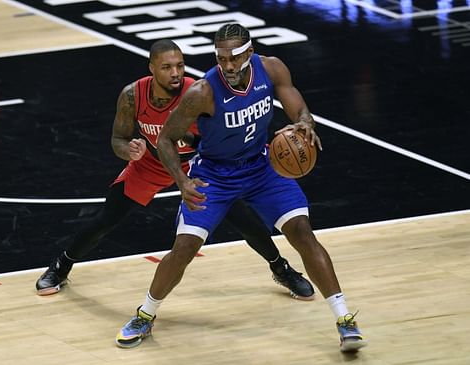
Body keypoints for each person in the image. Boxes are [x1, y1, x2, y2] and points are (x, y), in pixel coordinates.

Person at [115, 26, 367, 353]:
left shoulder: (272, 67)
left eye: (234, 58)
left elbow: (297, 106)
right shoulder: (203, 91)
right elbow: (165, 138)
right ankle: (145, 314)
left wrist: (304, 121)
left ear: (249, 53)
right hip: (215, 176)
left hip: (261, 167)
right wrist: (182, 180)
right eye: (221, 59)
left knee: (303, 233)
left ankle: (344, 319)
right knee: (185, 249)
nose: (228, 66)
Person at [35, 39, 315, 304]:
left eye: (180, 66)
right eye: (167, 67)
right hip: (151, 164)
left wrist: (192, 141)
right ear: (152, 69)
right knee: (106, 218)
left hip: (196, 165)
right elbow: (117, 139)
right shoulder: (133, 95)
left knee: (242, 218)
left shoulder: (199, 92)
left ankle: (281, 269)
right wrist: (129, 150)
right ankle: (61, 266)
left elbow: (219, 139)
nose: (176, 73)